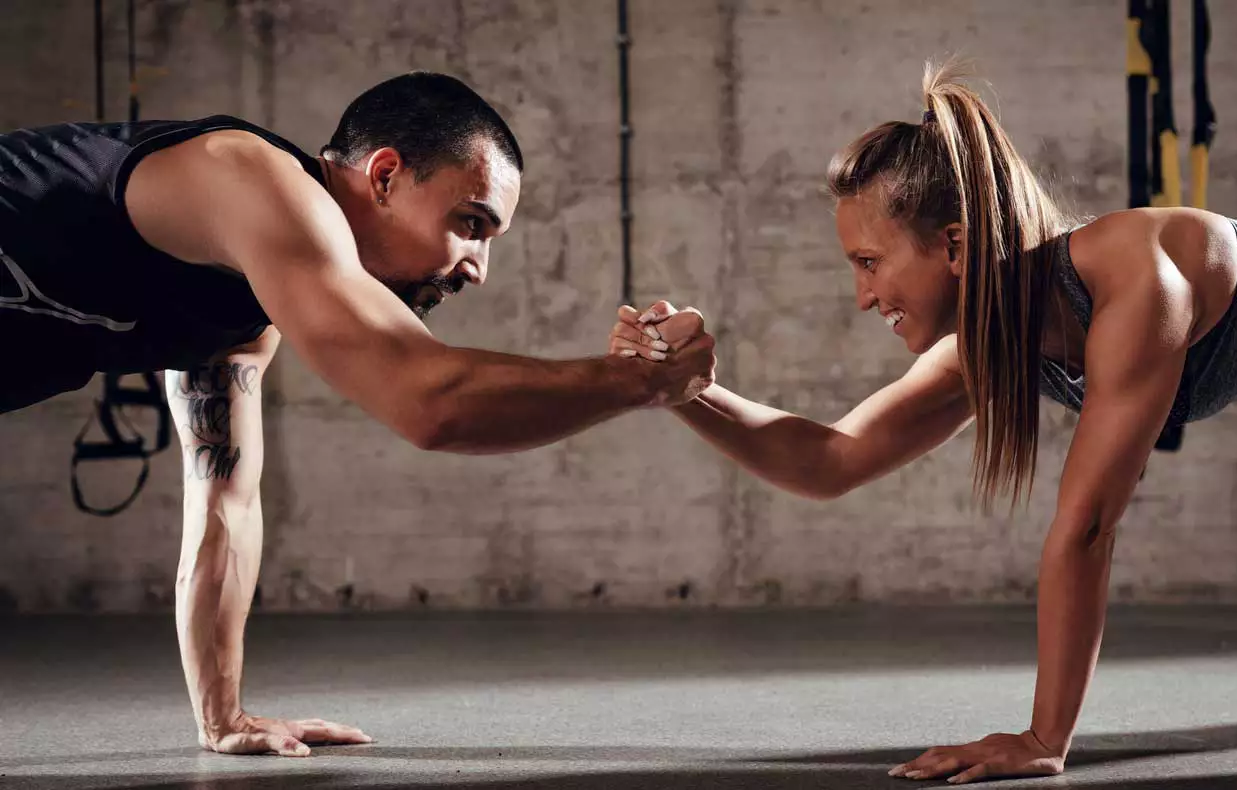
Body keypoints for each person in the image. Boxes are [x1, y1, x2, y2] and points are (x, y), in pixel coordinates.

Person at [610, 59, 1237, 784]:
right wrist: (687, 391)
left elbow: (1085, 528)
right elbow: (831, 460)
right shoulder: (992, 337)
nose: (862, 296)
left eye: (870, 263)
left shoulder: (1134, 278)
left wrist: (1045, 739)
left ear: (958, 245)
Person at [0, 71, 715, 756]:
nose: (477, 269)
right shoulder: (254, 182)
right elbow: (429, 402)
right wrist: (635, 383)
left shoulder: (243, 306)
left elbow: (226, 504)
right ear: (383, 176)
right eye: (471, 224)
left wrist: (223, 718)